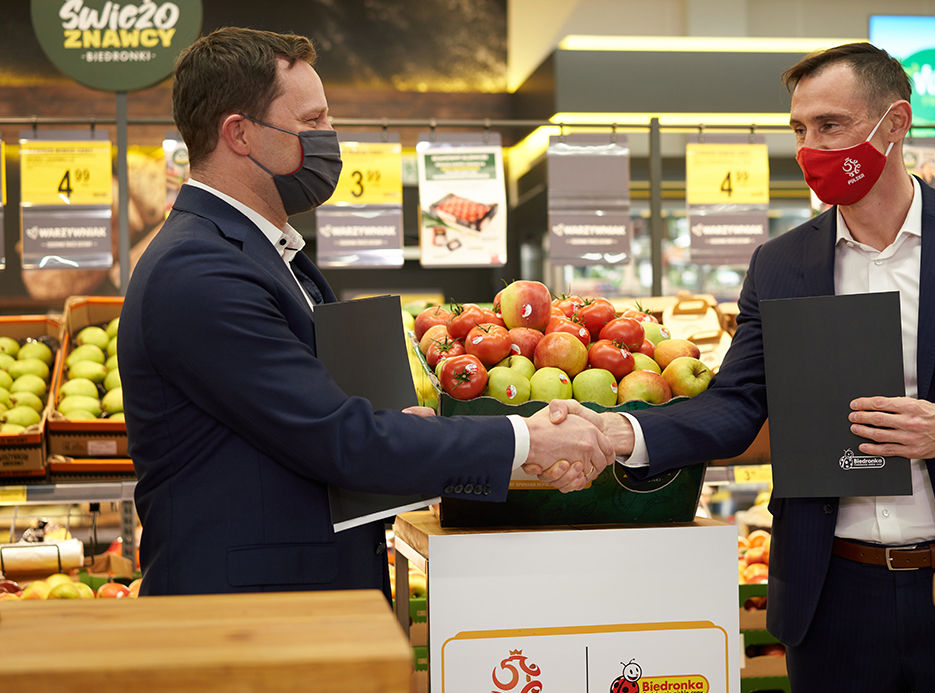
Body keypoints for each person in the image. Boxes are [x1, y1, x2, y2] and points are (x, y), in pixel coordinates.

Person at [540, 43, 935, 693]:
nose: (809, 148)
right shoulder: (781, 265)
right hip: (835, 592)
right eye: (798, 129)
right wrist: (625, 430)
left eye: (830, 126)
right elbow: (736, 406)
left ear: (896, 123)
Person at [118, 27, 613, 597]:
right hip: (248, 617)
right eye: (312, 122)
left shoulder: (271, 256)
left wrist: (405, 432)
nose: (331, 139)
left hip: (300, 602)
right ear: (240, 133)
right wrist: (525, 442)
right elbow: (336, 439)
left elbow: (331, 426)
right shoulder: (200, 269)